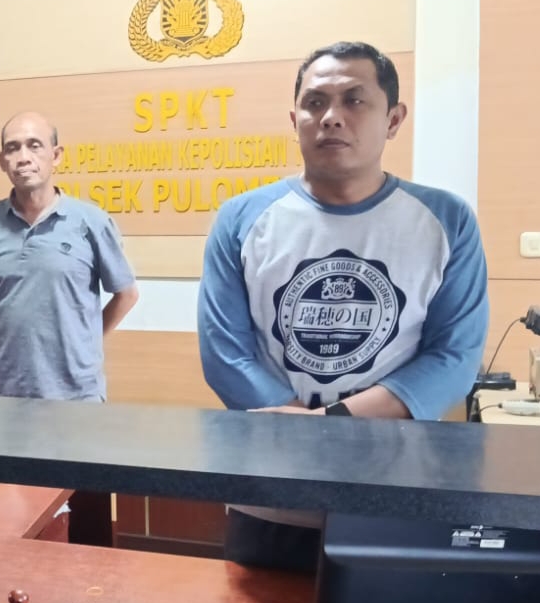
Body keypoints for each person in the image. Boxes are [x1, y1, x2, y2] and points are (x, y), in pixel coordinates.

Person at [197, 41, 489, 573]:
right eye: (315, 103)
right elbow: (225, 354)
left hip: (395, 494)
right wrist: (306, 428)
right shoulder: (240, 219)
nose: (331, 117)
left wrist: (331, 423)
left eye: (355, 100)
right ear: (295, 120)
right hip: (269, 498)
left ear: (393, 119)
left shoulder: (446, 221)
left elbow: (454, 359)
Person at [0, 111, 140, 402]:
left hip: (76, 395)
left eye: (34, 145)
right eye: (13, 148)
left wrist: (85, 339)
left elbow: (126, 294)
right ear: (2, 160)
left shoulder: (91, 222)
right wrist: (6, 332)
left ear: (56, 156)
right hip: (3, 392)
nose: (23, 157)